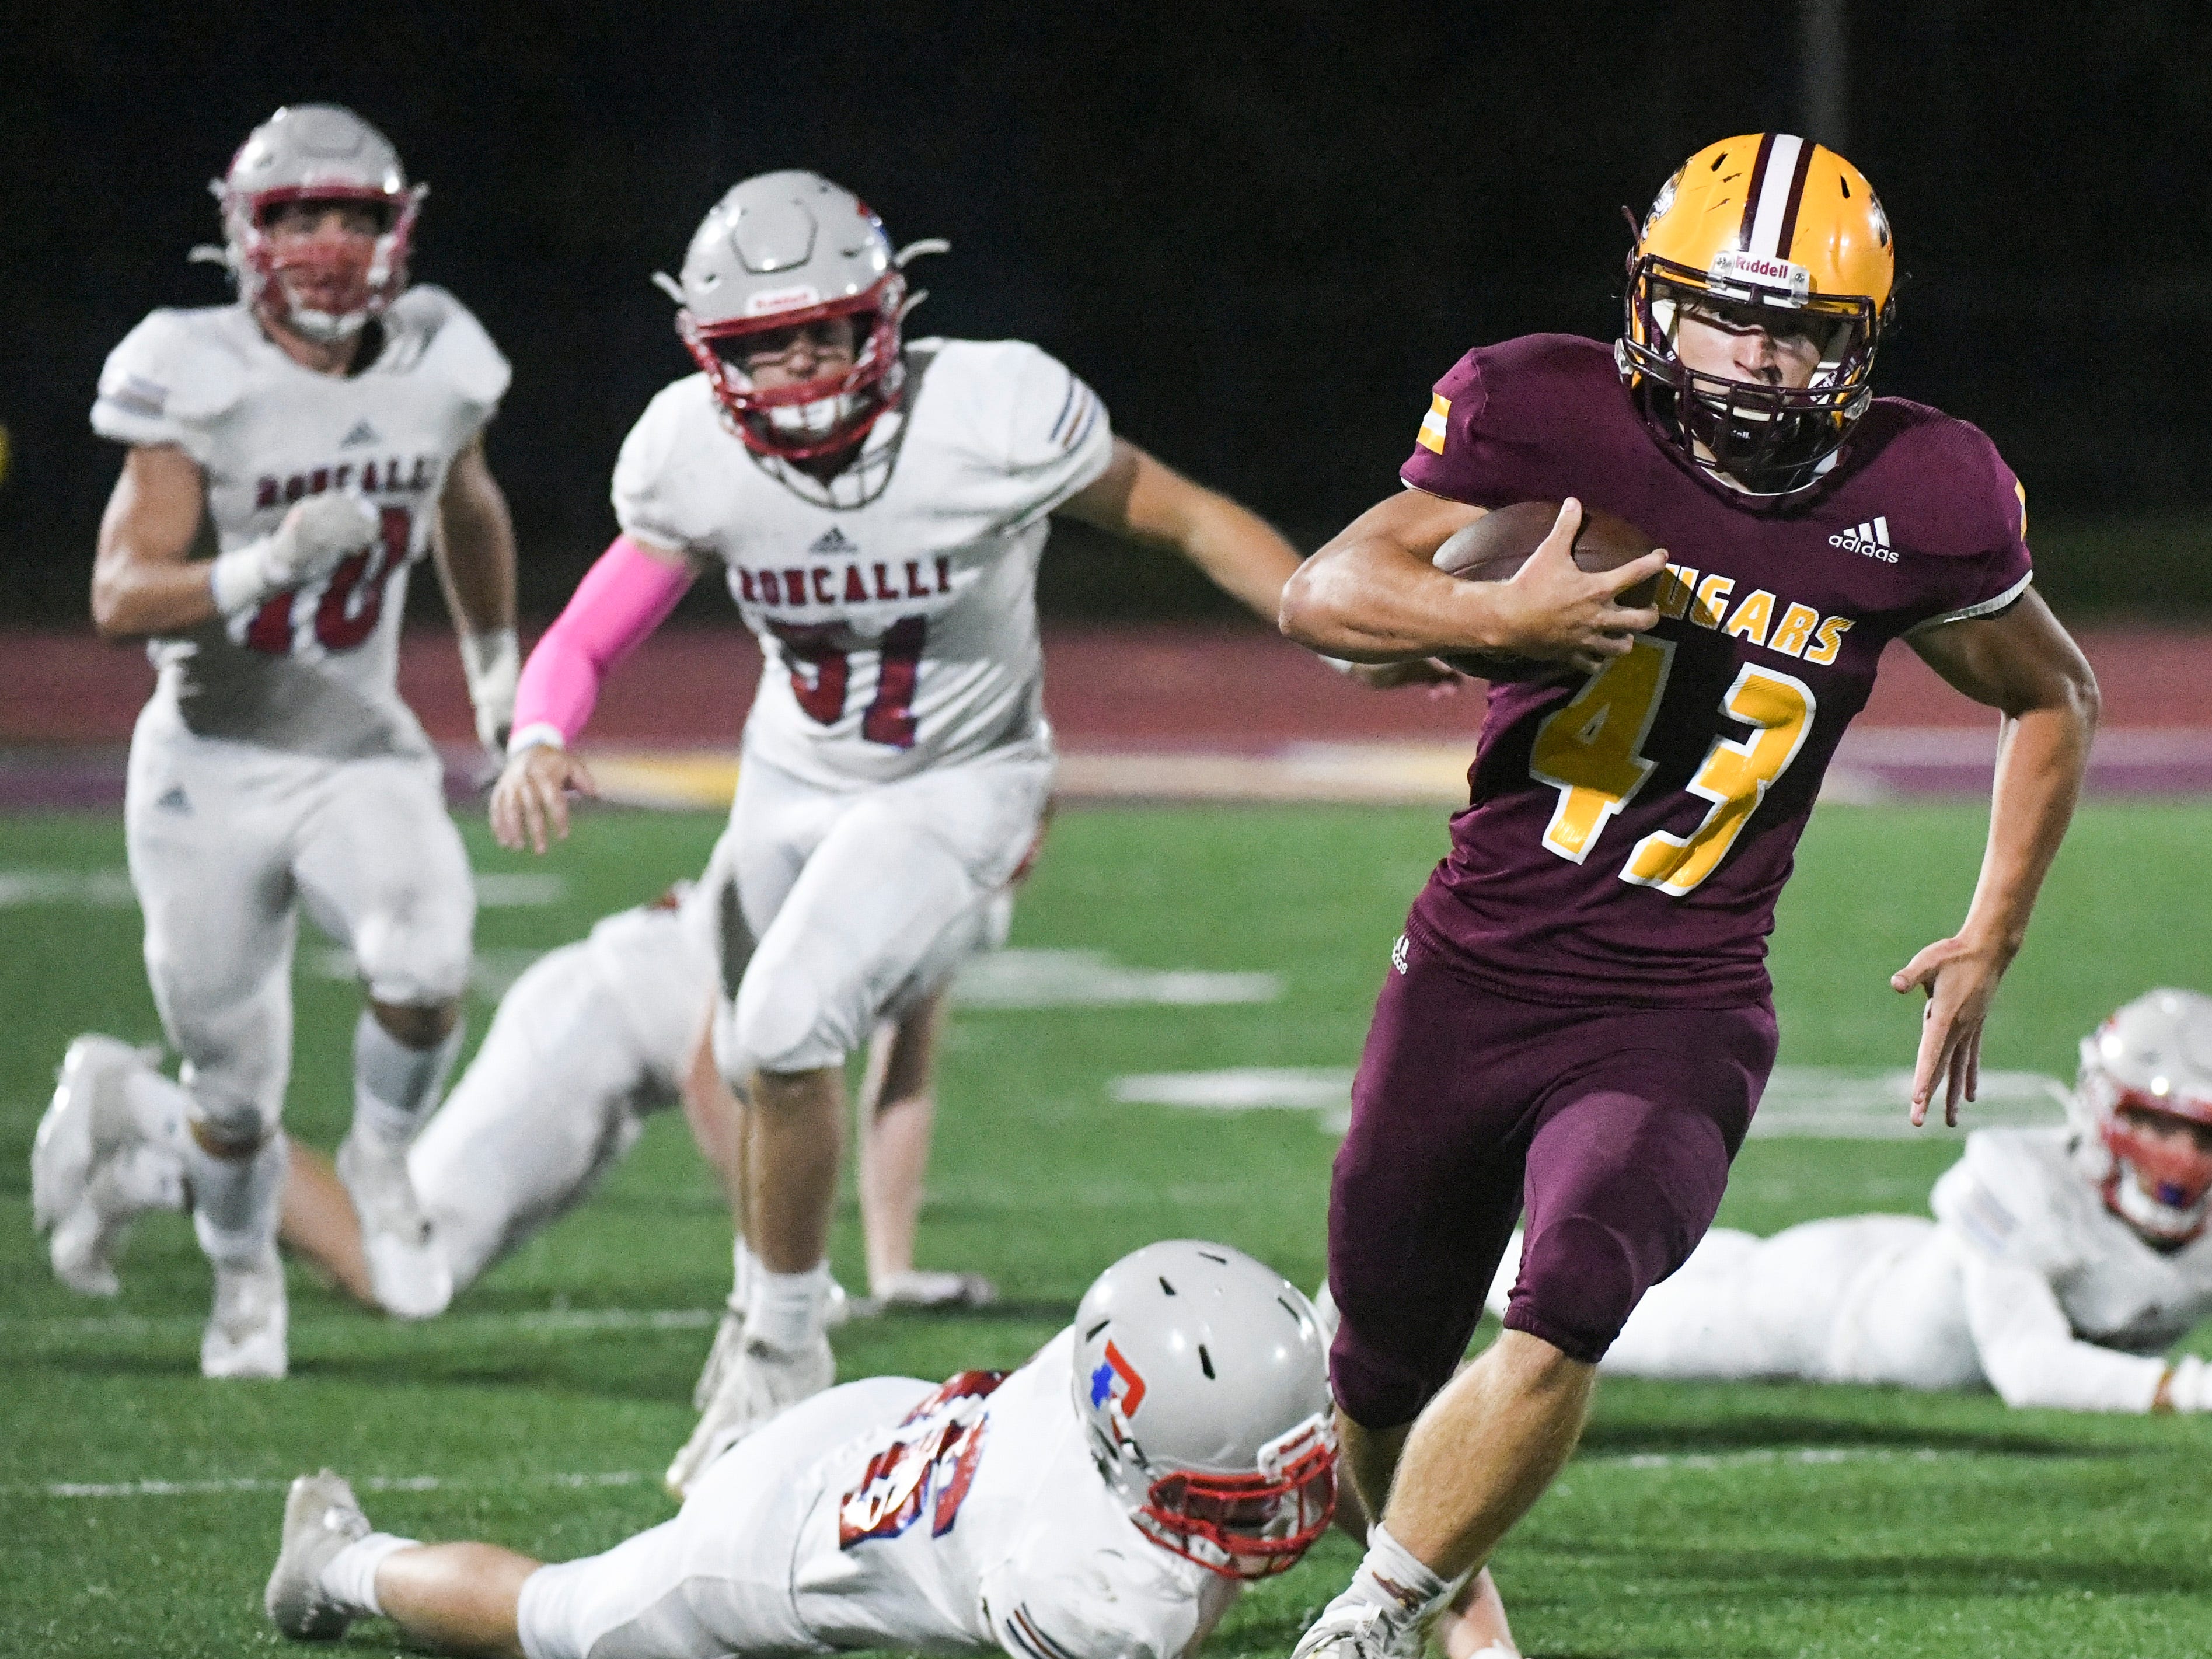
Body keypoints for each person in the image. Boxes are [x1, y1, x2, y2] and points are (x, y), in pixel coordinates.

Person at [1265, 131, 2101, 1659]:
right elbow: (1325, 588)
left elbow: (2049, 688)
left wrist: (1992, 927)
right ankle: (1449, 1596)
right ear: (1653, 307)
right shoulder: (1549, 414)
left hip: (1682, 995)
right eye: (1725, 317)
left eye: (1797, 331)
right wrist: (1484, 619)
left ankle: (1369, 1619)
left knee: (1571, 1288)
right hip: (1472, 964)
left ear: (1857, 346)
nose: (1758, 358)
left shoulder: (1918, 496)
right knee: (1377, 1349)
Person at [484, 172, 1314, 1495]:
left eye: (824, 330)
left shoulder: (985, 413)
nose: (800, 367)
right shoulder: (688, 449)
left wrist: (1320, 609)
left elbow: (1181, 511)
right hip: (790, 774)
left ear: (887, 315)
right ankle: (762, 1318)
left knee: (784, 1027)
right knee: (759, 1063)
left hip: (958, 777)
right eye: (764, 343)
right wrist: (538, 728)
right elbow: (591, 626)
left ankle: (785, 1347)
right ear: (713, 353)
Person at [258, 1240, 1589, 1659]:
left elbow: (1380, 1492)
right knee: (558, 1615)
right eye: (1249, 1490)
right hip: (780, 1537)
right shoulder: (1095, 1594)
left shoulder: (1175, 1386)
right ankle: (336, 1557)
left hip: (900, 1418)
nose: (1292, 1508)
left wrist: (1478, 1651)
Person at [35, 104, 519, 1377]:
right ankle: (245, 1279)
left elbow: (467, 505)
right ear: (246, 235)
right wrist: (263, 564)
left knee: (427, 955)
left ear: (396, 230)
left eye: (354, 215)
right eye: (297, 216)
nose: (327, 243)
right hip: (208, 763)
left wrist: (496, 674)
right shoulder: (188, 365)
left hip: (358, 742)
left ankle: (376, 1154)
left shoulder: (441, 355)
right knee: (234, 1085)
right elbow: (118, 595)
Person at [36, 867, 1007, 1326]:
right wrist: (779, 1272)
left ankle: (157, 1168)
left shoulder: (945, 880)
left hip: (607, 1070)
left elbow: (903, 1070)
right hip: (583, 1034)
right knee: (404, 1271)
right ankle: (145, 1103)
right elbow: (719, 1075)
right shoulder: (852, 847)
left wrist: (891, 1269)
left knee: (397, 1257)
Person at [1490, 990, 2212, 1414]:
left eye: (2210, 1136)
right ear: (2102, 1109)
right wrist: (2186, 1386)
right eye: (2160, 1123)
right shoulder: (2020, 1179)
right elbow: (2028, 1368)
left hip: (1888, 1273)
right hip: (1838, 1314)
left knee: (1706, 1264)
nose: (2183, 1157)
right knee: (1614, 1322)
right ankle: (1470, 1265)